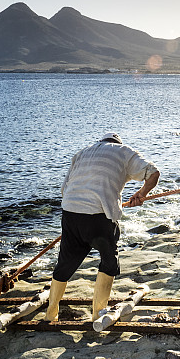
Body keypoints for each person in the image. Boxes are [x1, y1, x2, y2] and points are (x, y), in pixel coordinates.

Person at [44, 132, 160, 322]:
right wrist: (141, 194)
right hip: (98, 217)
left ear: (101, 142)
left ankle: (50, 314)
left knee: (64, 264)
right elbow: (154, 173)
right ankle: (97, 313)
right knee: (109, 262)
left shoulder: (82, 153)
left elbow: (65, 189)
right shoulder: (123, 151)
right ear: (117, 143)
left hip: (70, 213)